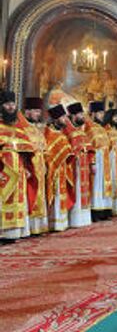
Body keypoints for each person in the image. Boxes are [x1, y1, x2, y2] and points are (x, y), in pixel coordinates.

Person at [0, 90, 34, 239]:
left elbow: (26, 150)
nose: (11, 107)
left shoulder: (19, 127)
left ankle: (16, 231)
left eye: (13, 104)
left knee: (18, 199)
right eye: (7, 104)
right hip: (3, 169)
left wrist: (26, 167)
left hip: (18, 169)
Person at [44, 105, 76, 232]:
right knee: (55, 194)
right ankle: (54, 223)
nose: (65, 120)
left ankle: (61, 222)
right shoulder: (49, 133)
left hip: (62, 168)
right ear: (56, 119)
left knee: (61, 194)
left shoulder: (61, 134)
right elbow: (49, 152)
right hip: (54, 169)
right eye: (63, 117)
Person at [21, 97, 49, 234]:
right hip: (29, 167)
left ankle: (37, 227)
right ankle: (28, 227)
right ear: (27, 112)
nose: (38, 114)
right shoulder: (22, 128)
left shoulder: (37, 129)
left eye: (39, 111)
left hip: (40, 167)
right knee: (29, 195)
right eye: (36, 111)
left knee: (39, 196)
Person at [64, 102, 93, 228]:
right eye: (80, 114)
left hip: (84, 165)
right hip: (74, 166)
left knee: (84, 190)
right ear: (73, 116)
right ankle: (75, 219)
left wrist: (91, 161)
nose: (83, 117)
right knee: (76, 190)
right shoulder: (67, 130)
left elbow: (89, 147)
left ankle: (83, 218)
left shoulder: (81, 131)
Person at [85, 101, 113, 219]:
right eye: (100, 113)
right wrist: (92, 162)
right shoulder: (88, 127)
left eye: (103, 113)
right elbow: (88, 147)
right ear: (93, 114)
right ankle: (95, 211)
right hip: (97, 160)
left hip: (105, 160)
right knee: (96, 185)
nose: (102, 115)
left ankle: (105, 209)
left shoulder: (102, 128)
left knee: (104, 185)